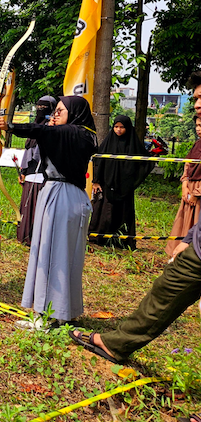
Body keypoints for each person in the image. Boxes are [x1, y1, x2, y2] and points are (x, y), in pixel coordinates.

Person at [0, 96, 97, 325]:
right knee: (56, 254)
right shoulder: (77, 133)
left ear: (74, 113)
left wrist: (9, 126)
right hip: (63, 194)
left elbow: (41, 130)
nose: (54, 115)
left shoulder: (75, 132)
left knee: (55, 256)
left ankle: (50, 316)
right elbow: (46, 132)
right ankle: (56, 313)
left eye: (60, 111)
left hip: (62, 196)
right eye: (54, 111)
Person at [69, 216, 201, 363]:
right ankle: (115, 344)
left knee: (167, 291)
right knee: (165, 291)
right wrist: (189, 238)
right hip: (197, 250)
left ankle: (115, 344)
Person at [89, 115, 153, 250]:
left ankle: (121, 241)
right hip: (107, 184)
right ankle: (99, 238)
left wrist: (132, 180)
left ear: (127, 128)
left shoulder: (133, 144)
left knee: (123, 212)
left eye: (122, 127)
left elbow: (146, 162)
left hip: (125, 187)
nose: (118, 130)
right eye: (116, 127)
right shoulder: (108, 142)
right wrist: (96, 181)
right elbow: (98, 162)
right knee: (104, 211)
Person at [17, 96, 56, 246]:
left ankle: (39, 238)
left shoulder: (52, 128)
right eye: (38, 107)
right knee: (28, 207)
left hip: (45, 175)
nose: (40, 110)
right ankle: (26, 236)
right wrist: (23, 171)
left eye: (44, 107)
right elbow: (28, 152)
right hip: (30, 174)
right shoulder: (34, 127)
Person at [167, 114, 201, 255]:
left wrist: (197, 194)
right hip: (190, 187)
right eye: (197, 125)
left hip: (198, 192)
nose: (198, 129)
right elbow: (188, 164)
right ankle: (179, 254)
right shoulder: (197, 144)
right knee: (184, 223)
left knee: (197, 223)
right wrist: (185, 184)